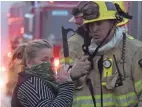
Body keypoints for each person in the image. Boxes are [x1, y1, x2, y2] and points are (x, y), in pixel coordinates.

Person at [65, 1, 142, 107]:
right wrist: (71, 76)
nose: (94, 29)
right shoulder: (83, 54)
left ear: (113, 23)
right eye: (90, 24)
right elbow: (63, 96)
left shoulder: (135, 51)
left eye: (99, 23)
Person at [11, 39, 83, 107]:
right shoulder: (32, 84)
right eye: (44, 60)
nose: (49, 64)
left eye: (51, 60)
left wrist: (70, 78)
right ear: (29, 62)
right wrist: (66, 85)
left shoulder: (45, 81)